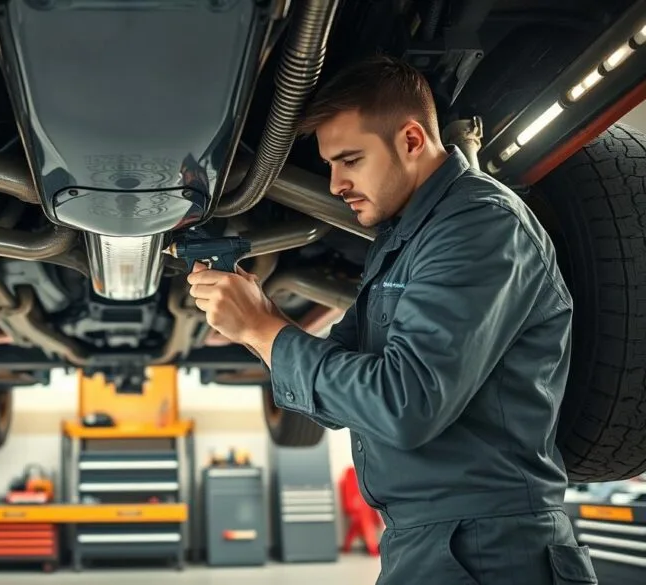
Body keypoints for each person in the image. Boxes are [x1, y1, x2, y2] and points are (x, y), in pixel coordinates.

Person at [187, 55, 598, 585]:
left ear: (410, 139)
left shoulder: (479, 225)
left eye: (350, 160)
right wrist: (255, 323)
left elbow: (406, 405)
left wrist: (266, 331)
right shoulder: (404, 241)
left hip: (489, 549)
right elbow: (349, 398)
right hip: (432, 542)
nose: (335, 184)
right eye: (331, 165)